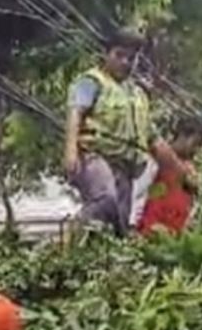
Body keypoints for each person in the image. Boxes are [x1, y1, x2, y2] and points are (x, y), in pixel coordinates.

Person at [64, 30, 182, 234]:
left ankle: (94, 257)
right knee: (105, 198)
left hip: (124, 169)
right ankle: (72, 233)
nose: (125, 62)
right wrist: (70, 152)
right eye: (119, 55)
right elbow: (76, 112)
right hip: (93, 158)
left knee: (119, 225)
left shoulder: (137, 94)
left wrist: (181, 173)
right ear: (106, 55)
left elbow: (153, 139)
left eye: (131, 58)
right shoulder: (92, 81)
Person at [135, 118, 202, 235]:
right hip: (149, 228)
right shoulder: (161, 154)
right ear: (183, 135)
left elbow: (193, 183)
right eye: (195, 143)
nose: (196, 150)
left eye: (200, 146)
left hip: (171, 237)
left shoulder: (189, 168)